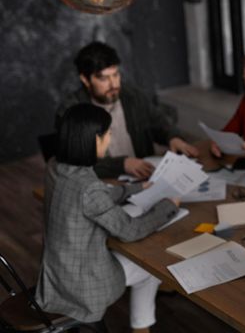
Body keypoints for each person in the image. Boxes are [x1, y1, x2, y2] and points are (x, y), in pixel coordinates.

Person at [36, 103, 180, 332]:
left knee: (128, 224)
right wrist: (167, 207)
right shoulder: (89, 188)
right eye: (108, 134)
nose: (110, 139)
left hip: (56, 273)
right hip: (84, 286)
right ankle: (141, 330)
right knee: (149, 271)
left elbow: (91, 195)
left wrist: (133, 188)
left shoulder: (56, 165)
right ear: (94, 139)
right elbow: (130, 231)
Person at [56, 41, 199, 179]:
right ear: (85, 80)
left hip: (142, 177)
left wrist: (172, 137)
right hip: (101, 185)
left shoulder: (132, 95)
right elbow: (74, 163)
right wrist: (122, 164)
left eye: (116, 75)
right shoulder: (71, 112)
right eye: (104, 79)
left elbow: (157, 121)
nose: (114, 84)